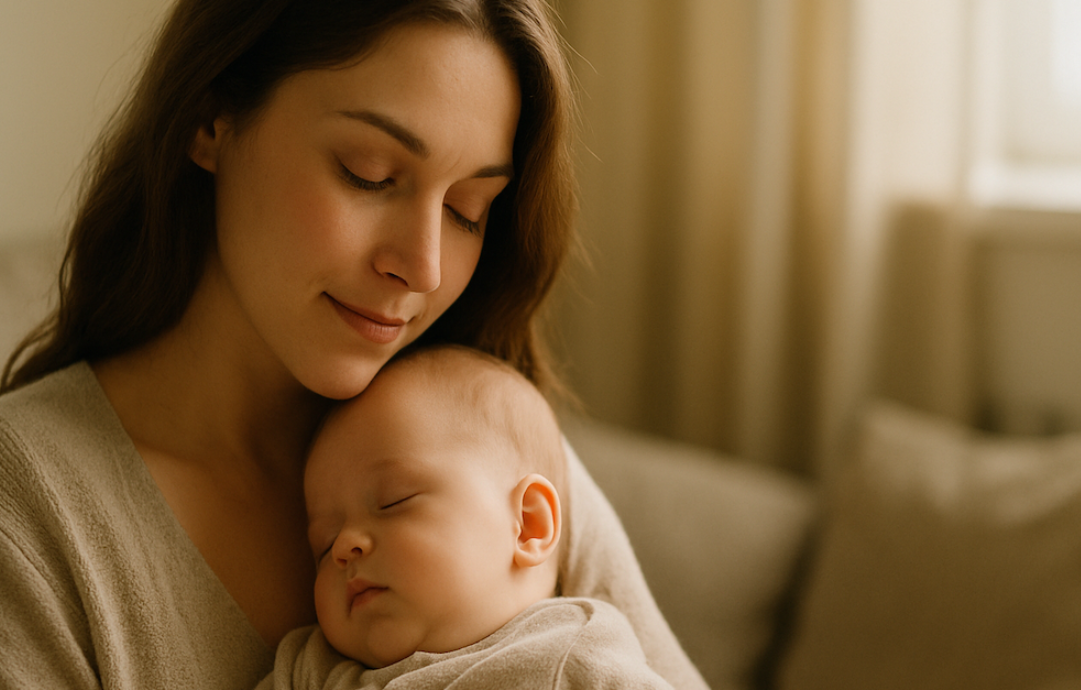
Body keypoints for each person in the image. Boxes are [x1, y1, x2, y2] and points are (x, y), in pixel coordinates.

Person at [0, 2, 706, 689]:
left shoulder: (485, 460)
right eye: (369, 172)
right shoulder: (31, 512)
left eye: (468, 211)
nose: (424, 267)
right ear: (210, 117)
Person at [254, 344, 672, 689]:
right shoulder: (315, 670)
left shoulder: (573, 659)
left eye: (394, 501)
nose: (345, 546)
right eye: (324, 545)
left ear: (529, 525)